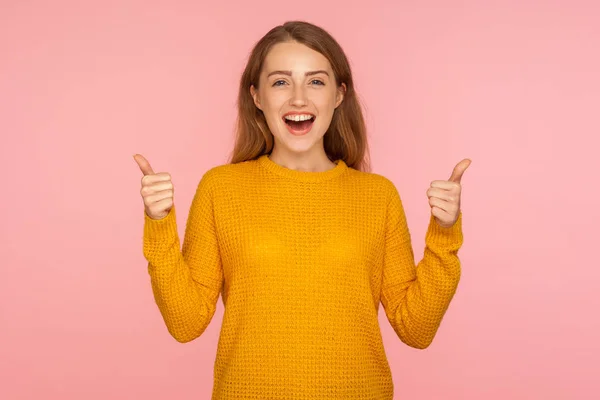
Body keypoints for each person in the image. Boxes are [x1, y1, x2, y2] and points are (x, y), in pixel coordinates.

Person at [134, 20, 470, 400]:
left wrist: (444, 233)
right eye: (280, 82)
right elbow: (186, 322)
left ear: (339, 94)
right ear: (257, 96)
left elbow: (416, 328)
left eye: (315, 81)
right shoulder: (221, 189)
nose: (298, 99)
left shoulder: (378, 197)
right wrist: (159, 224)